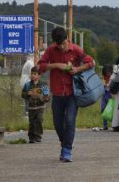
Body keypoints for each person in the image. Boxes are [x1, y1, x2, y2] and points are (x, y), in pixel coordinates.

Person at [38, 27, 94, 162]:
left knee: (69, 121)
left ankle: (67, 150)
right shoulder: (51, 50)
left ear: (67, 39)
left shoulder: (76, 49)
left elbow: (90, 62)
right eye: (59, 45)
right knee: (57, 123)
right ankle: (66, 142)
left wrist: (77, 69)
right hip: (57, 92)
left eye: (64, 43)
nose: (62, 47)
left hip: (73, 93)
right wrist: (57, 65)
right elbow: (40, 66)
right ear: (54, 43)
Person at [21, 66, 50, 143]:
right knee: (32, 122)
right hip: (31, 107)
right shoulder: (27, 85)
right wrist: (28, 94)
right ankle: (31, 137)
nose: (32, 75)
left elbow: (47, 96)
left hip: (40, 106)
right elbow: (23, 95)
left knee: (39, 120)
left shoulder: (43, 84)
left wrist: (42, 97)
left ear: (39, 75)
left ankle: (38, 136)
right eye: (31, 74)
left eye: (34, 74)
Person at [100, 64, 113, 131]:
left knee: (111, 110)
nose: (107, 76)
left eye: (108, 74)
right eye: (105, 75)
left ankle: (114, 124)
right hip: (104, 95)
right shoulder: (104, 78)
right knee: (103, 110)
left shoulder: (113, 79)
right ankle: (105, 125)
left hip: (111, 96)